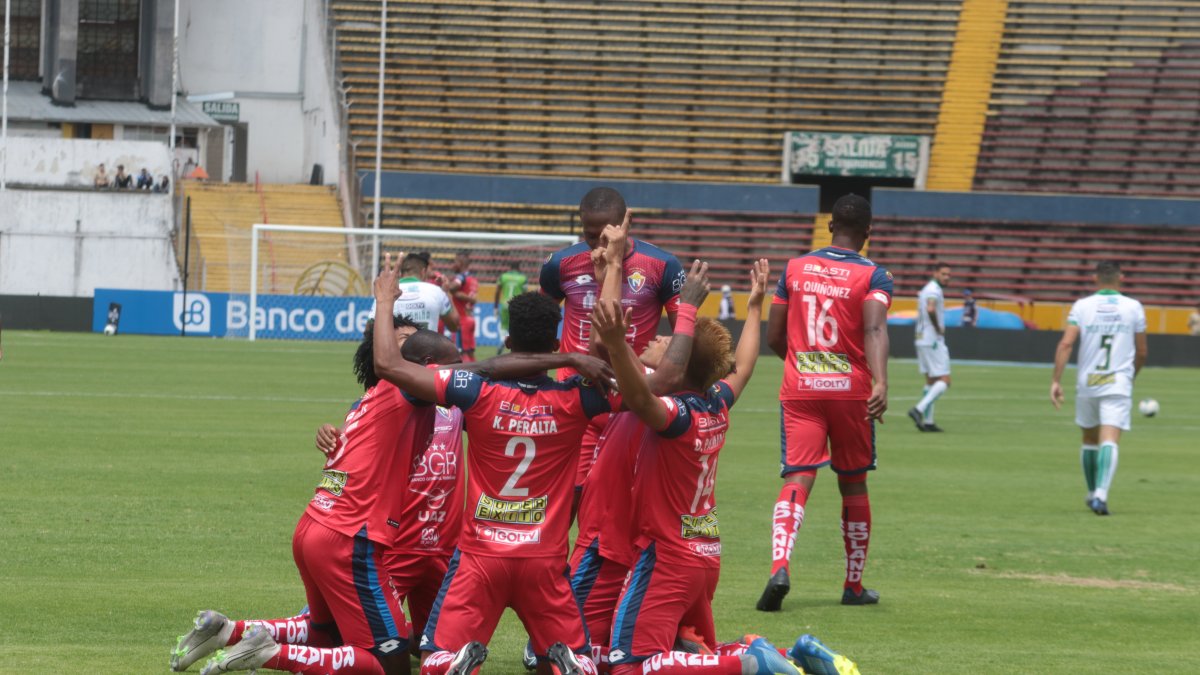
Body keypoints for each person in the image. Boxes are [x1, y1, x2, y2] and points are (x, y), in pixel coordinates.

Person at [369, 256, 621, 675]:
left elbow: (390, 366)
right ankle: (569, 668)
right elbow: (640, 392)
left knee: (435, 656)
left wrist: (382, 302)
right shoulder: (578, 399)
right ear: (556, 342)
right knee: (563, 656)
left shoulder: (475, 391)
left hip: (480, 556)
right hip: (543, 558)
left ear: (506, 339)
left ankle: (451, 664)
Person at [175, 316, 460, 675]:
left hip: (325, 525)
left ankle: (231, 632)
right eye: (397, 343)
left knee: (327, 633)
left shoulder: (370, 404)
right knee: (390, 661)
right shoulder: (399, 394)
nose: (456, 374)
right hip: (359, 536)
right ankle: (266, 652)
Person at [594, 259, 803, 675]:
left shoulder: (677, 416)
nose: (661, 340)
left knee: (629, 666)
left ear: (682, 365)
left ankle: (747, 664)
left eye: (671, 341)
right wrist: (756, 306)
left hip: (668, 556)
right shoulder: (716, 403)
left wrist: (617, 344)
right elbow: (742, 366)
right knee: (691, 649)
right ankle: (783, 653)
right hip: (705, 553)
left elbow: (639, 399)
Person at [758, 193, 891, 612]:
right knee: (853, 482)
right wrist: (881, 382)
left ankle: (780, 566)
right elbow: (873, 329)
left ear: (830, 226)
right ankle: (853, 586)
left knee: (797, 478)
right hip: (851, 390)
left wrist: (803, 366)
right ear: (868, 234)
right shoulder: (875, 275)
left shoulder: (795, 269)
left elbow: (775, 336)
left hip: (802, 388)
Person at [540, 187, 685, 518]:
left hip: (633, 401)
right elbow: (541, 328)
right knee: (567, 501)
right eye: (590, 235)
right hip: (575, 400)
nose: (598, 244)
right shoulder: (560, 265)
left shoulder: (662, 266)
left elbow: (684, 336)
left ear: (625, 223)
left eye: (606, 234)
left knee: (628, 502)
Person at [1051, 261, 1147, 516]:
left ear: (1095, 278)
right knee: (1110, 439)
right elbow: (1142, 352)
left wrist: (1056, 381)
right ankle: (1101, 496)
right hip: (1118, 382)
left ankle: (1092, 492)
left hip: (1088, 382)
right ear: (1121, 277)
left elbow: (1065, 344)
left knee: (1089, 439)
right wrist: (1130, 377)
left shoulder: (1082, 306)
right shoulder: (1133, 307)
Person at [907, 263, 952, 433]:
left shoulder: (927, 289)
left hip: (921, 338)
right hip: (932, 339)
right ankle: (918, 409)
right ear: (935, 273)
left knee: (931, 381)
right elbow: (931, 308)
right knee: (945, 380)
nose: (947, 277)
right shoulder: (933, 290)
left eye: (948, 274)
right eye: (943, 274)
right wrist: (938, 327)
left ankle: (928, 421)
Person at [377, 252, 459, 333]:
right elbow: (455, 326)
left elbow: (370, 329)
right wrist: (447, 292)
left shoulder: (386, 293)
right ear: (423, 272)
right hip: (427, 345)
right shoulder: (436, 292)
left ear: (400, 273)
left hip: (396, 346)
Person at [443, 252, 479, 362]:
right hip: (470, 318)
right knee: (470, 352)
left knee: (462, 353)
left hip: (462, 319)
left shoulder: (461, 277)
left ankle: (468, 377)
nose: (453, 265)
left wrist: (447, 287)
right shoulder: (473, 279)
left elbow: (452, 288)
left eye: (455, 262)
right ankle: (479, 377)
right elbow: (471, 297)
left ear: (461, 263)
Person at [493, 261, 528, 355]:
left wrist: (495, 307)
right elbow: (525, 294)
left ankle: (502, 341)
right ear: (519, 268)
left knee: (504, 326)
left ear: (510, 268)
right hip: (517, 305)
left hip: (504, 305)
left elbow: (497, 292)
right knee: (516, 327)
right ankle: (516, 348)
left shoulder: (503, 277)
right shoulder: (523, 278)